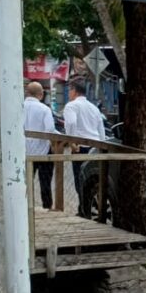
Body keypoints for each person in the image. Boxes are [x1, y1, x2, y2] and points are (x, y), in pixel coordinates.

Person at [62, 79, 107, 214]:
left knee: (80, 180)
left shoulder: (71, 106)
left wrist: (72, 142)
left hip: (80, 147)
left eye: (70, 90)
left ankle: (83, 210)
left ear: (74, 91)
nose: (69, 93)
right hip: (94, 147)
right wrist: (101, 145)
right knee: (92, 179)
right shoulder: (94, 108)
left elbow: (70, 124)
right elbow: (101, 129)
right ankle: (89, 209)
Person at [23, 82, 56, 210]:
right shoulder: (44, 109)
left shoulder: (19, 107)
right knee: (45, 182)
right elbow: (50, 129)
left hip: (24, 152)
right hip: (43, 152)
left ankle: (25, 207)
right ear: (41, 94)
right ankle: (47, 207)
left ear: (27, 92)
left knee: (25, 182)